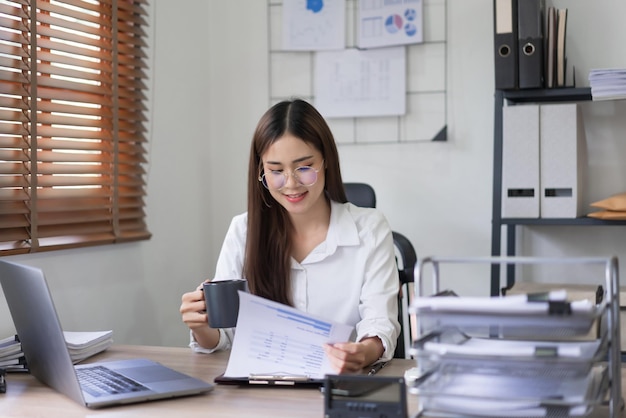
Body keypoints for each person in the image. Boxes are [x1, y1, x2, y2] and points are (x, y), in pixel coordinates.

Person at [180, 99, 400, 373]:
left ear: (326, 160)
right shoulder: (243, 231)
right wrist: (202, 325)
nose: (291, 183)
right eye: (276, 171)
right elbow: (223, 338)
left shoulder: (370, 228)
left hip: (339, 388)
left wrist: (363, 351)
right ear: (262, 171)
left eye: (304, 167)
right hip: (260, 392)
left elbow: (380, 323)